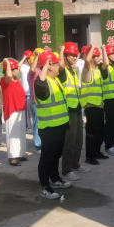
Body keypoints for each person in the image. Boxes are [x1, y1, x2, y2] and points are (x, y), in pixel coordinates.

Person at [34, 51, 71, 200]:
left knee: (56, 155)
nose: (58, 66)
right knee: (46, 158)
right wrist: (45, 66)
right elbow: (39, 85)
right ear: (49, 66)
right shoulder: (42, 83)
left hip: (60, 125)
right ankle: (45, 188)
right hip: (49, 128)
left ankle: (55, 179)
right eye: (55, 64)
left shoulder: (55, 80)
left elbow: (61, 103)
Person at [58, 42, 89, 181]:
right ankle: (67, 170)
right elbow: (60, 65)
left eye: (76, 55)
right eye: (71, 55)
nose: (75, 57)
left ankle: (75, 164)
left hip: (77, 109)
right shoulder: (62, 71)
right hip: (68, 111)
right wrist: (61, 51)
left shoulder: (73, 70)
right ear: (65, 56)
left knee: (78, 140)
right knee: (69, 142)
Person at [81, 45, 109, 165]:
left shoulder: (97, 71)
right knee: (91, 133)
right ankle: (90, 155)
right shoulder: (87, 71)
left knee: (100, 131)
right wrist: (92, 48)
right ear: (92, 58)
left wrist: (103, 50)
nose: (99, 58)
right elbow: (87, 60)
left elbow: (106, 64)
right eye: (97, 56)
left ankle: (97, 152)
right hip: (90, 105)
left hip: (98, 105)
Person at [0, 58, 27, 167]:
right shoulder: (5, 80)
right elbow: (9, 76)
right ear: (10, 70)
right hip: (12, 110)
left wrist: (23, 59)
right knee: (13, 134)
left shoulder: (16, 80)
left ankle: (20, 153)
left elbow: (18, 67)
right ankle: (12, 157)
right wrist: (7, 62)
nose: (18, 70)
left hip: (20, 110)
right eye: (15, 69)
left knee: (20, 134)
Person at [28, 48, 44, 152]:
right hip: (36, 101)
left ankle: (43, 143)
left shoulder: (42, 69)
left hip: (44, 101)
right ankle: (38, 145)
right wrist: (37, 56)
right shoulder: (33, 71)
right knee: (37, 124)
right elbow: (32, 70)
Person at [20, 50, 33, 132]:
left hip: (31, 92)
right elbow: (18, 66)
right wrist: (23, 58)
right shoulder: (23, 67)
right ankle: (26, 127)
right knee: (25, 112)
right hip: (24, 93)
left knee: (31, 113)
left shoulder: (32, 67)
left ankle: (31, 127)